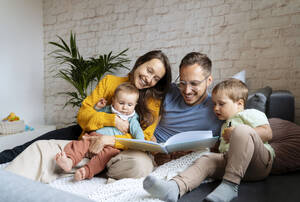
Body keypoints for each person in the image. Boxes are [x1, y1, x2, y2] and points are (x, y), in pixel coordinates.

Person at [3, 50, 172, 182]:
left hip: (116, 148)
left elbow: (144, 140)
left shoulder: (153, 102)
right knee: (31, 146)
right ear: (140, 62)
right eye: (149, 70)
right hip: (87, 133)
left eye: (155, 78)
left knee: (138, 164)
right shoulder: (110, 82)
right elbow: (83, 115)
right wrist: (111, 119)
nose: (149, 78)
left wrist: (110, 141)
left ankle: (90, 169)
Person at [143, 78, 274, 202]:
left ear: (239, 104)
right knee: (206, 159)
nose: (216, 108)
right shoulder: (224, 124)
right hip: (233, 164)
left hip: (258, 164)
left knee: (242, 130)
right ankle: (174, 187)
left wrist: (235, 132)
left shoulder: (250, 113)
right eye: (214, 104)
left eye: (221, 104)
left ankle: (229, 185)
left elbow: (267, 133)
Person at [56, 82, 145, 181]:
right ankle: (69, 160)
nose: (125, 107)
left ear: (135, 105)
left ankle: (86, 171)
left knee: (106, 156)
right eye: (121, 103)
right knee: (78, 145)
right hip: (93, 137)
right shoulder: (107, 109)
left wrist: (141, 143)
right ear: (113, 101)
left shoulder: (132, 118)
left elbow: (137, 131)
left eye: (130, 105)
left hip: (111, 145)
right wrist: (97, 108)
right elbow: (95, 117)